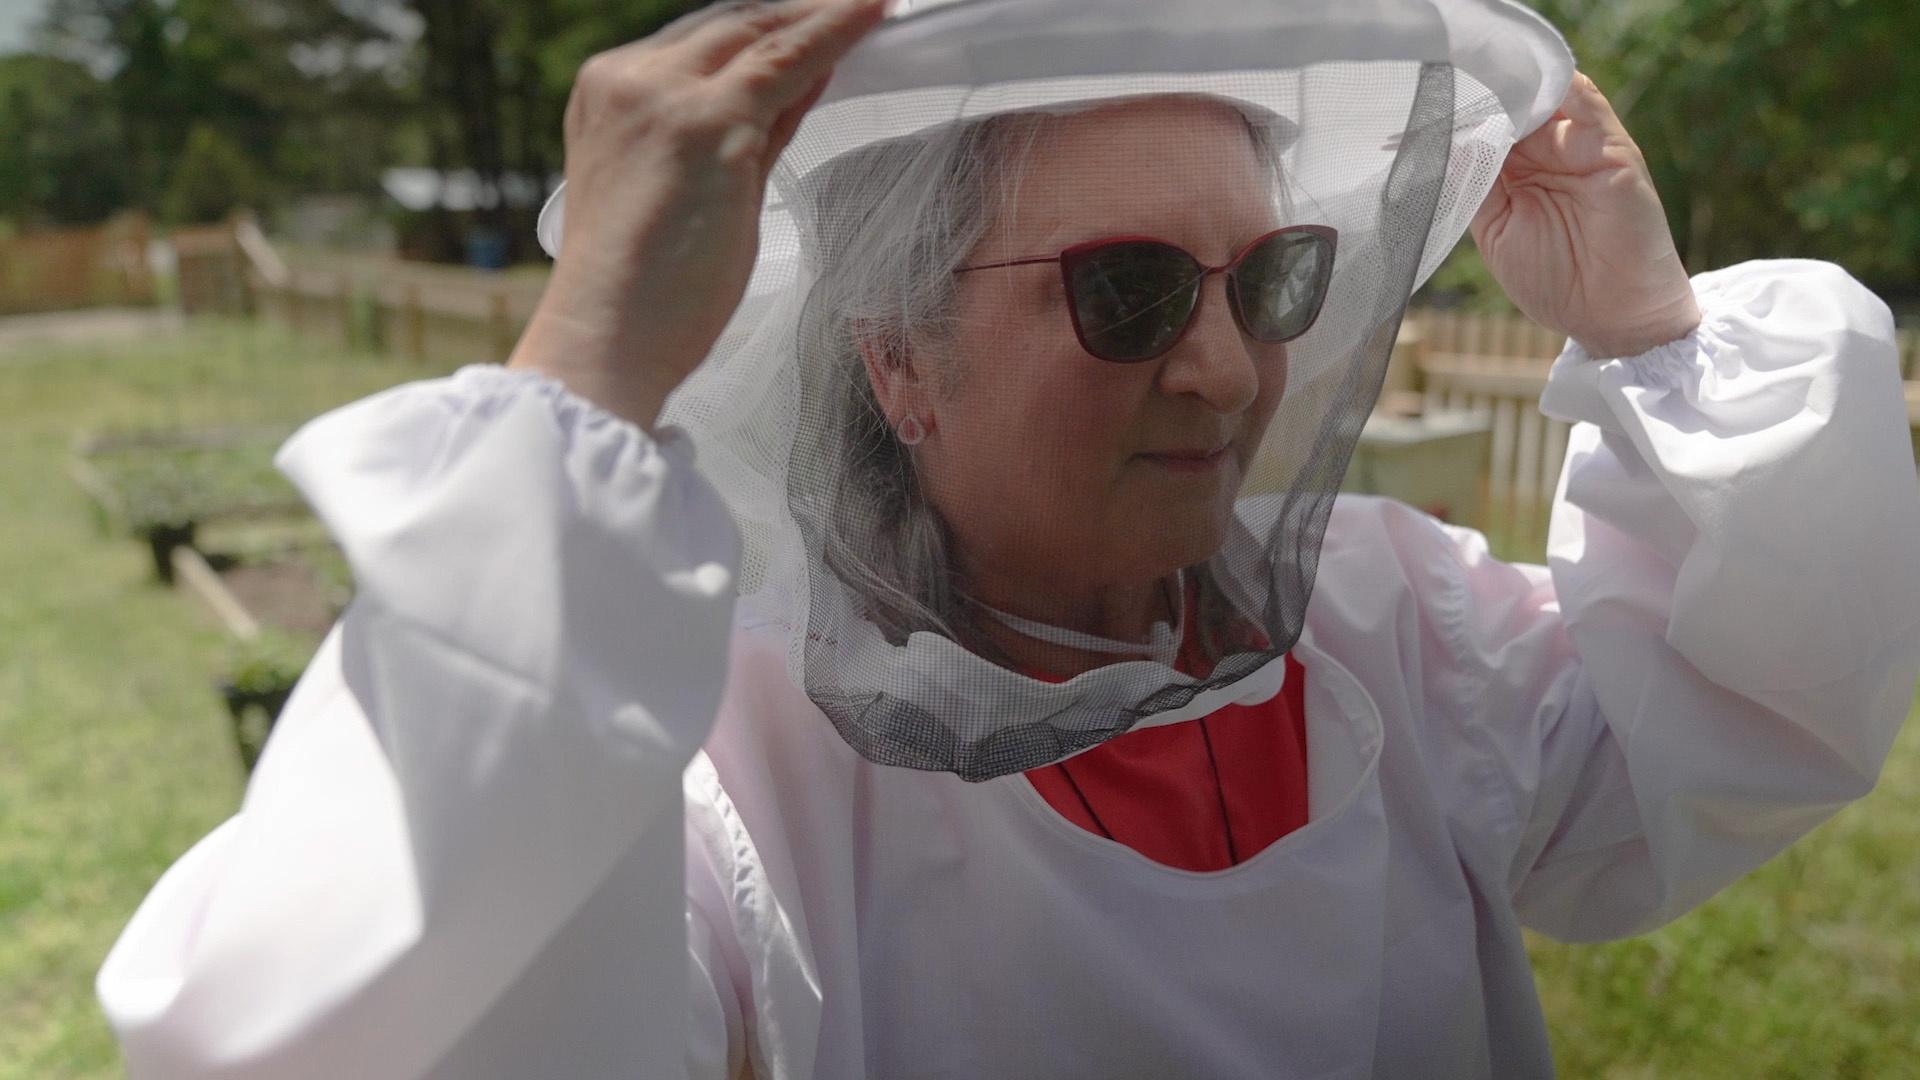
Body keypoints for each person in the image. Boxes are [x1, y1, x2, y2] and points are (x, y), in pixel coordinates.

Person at [97, 0, 1920, 1076]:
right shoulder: (735, 771)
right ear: (899, 363)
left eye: (1272, 278)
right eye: (1125, 291)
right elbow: (339, 1031)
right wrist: (581, 371)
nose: (1226, 363)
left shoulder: (1387, 611)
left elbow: (1719, 747)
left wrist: (1653, 329)